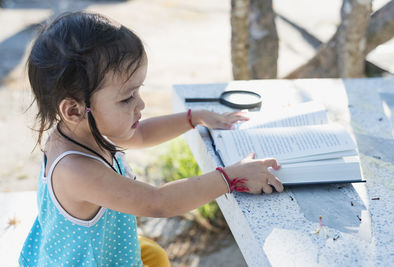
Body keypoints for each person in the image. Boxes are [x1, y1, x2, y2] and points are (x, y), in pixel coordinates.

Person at [19, 11, 284, 267]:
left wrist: (194, 117)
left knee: (154, 254)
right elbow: (159, 203)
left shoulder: (81, 131)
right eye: (127, 98)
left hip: (103, 253)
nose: (141, 105)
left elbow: (142, 133)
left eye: (138, 91)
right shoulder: (74, 169)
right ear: (74, 109)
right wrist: (230, 177)